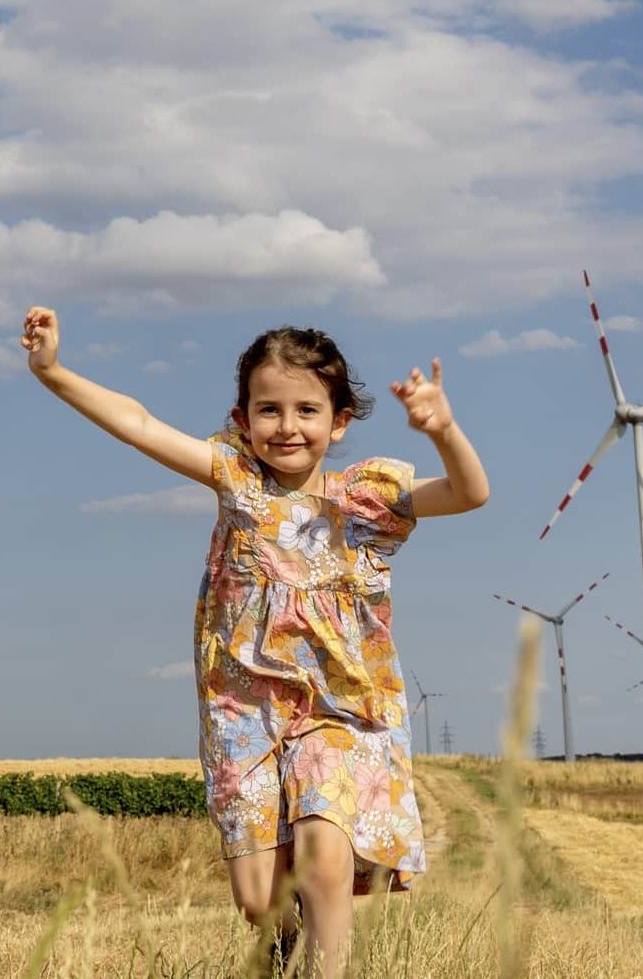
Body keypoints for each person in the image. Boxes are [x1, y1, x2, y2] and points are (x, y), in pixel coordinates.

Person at [21, 308, 489, 979]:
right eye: (268, 410)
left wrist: (442, 430)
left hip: (340, 707)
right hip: (244, 712)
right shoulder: (235, 480)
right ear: (242, 418)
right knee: (257, 899)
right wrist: (53, 371)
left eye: (306, 410)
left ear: (339, 421)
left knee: (326, 850)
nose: (287, 426)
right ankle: (283, 946)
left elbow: (468, 493)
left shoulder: (365, 501)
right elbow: (139, 424)